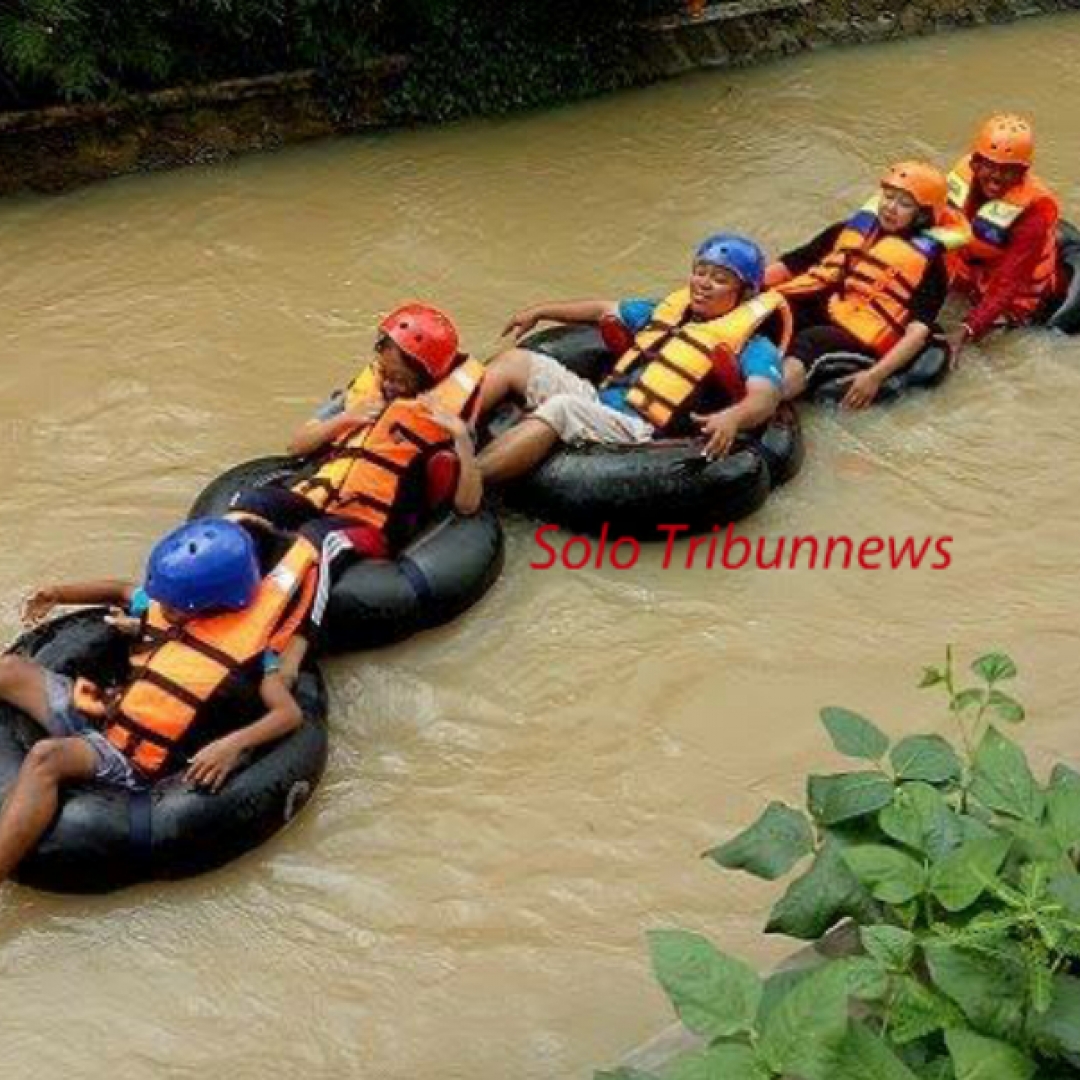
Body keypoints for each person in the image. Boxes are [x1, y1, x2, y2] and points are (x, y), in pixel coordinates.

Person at [0, 517, 317, 884]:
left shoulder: (257, 658)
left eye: (174, 606)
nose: (162, 608)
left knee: (46, 758)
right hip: (108, 712)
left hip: (134, 760)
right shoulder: (170, 605)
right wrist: (57, 594)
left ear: (214, 604)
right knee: (8, 670)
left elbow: (288, 714)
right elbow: (121, 591)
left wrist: (231, 745)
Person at [229, 303, 485, 635]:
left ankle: (282, 645)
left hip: (368, 524)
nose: (390, 384)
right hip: (318, 498)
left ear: (426, 377)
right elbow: (297, 445)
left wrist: (462, 439)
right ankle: (200, 586)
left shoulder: (443, 420)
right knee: (250, 503)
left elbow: (467, 505)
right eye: (386, 372)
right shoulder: (364, 392)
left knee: (316, 541)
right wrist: (346, 418)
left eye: (401, 379)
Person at [474, 234, 790, 484]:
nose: (704, 284)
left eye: (720, 279)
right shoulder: (664, 312)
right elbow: (601, 310)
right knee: (516, 361)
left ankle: (467, 482)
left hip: (640, 429)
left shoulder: (753, 346)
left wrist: (733, 418)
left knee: (561, 408)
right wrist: (541, 312)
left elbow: (765, 397)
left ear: (745, 293)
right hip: (600, 400)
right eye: (700, 272)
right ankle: (438, 427)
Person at [764, 161, 967, 408]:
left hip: (865, 337)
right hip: (834, 308)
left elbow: (917, 333)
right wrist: (745, 288)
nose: (891, 208)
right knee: (775, 308)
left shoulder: (931, 266)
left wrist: (875, 377)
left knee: (811, 341)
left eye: (904, 204)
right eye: (888, 197)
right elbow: (793, 263)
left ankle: (761, 405)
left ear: (923, 214)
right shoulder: (849, 230)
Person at [944, 114, 1064, 362]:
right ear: (975, 163)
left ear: (1023, 173)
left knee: (976, 355)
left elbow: (1007, 285)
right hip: (971, 272)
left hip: (1016, 296)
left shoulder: (1032, 218)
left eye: (1009, 171)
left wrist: (966, 330)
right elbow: (934, 225)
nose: (997, 178)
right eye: (990, 166)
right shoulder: (960, 179)